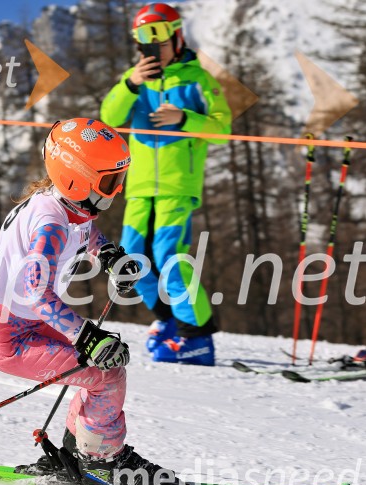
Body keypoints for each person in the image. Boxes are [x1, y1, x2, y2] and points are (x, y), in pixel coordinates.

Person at [0, 118, 189, 485]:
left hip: (23, 319)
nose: (117, 189)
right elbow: (35, 290)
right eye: (110, 181)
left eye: (119, 178)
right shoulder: (50, 224)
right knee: (105, 373)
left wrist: (106, 253)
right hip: (10, 334)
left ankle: (78, 455)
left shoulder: (69, 204)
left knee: (100, 369)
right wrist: (86, 336)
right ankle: (103, 462)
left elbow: (86, 230)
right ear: (76, 178)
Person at [100, 3, 231, 366]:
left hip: (176, 184)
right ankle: (169, 321)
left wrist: (184, 117)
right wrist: (131, 83)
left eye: (158, 37)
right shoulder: (135, 79)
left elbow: (222, 130)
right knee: (130, 258)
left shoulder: (198, 79)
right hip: (140, 185)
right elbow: (108, 117)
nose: (152, 46)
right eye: (144, 39)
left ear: (177, 36)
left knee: (170, 256)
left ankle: (197, 336)